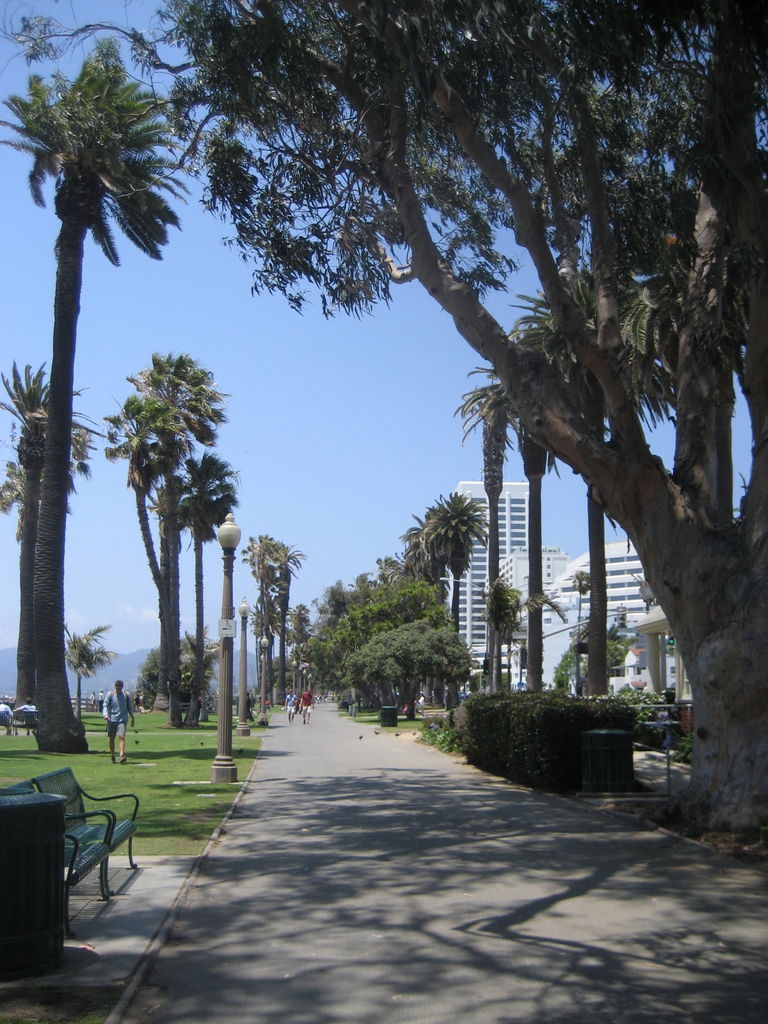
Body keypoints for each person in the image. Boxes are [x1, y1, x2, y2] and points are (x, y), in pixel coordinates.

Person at [103, 680, 135, 764]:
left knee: (122, 737)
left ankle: (121, 756)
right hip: (112, 720)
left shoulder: (125, 695)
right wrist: (105, 714)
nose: (118, 688)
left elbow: (129, 707)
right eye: (117, 686)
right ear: (115, 686)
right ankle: (112, 756)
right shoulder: (110, 694)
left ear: (122, 686)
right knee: (111, 738)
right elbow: (105, 705)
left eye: (120, 686)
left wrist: (132, 717)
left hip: (122, 720)